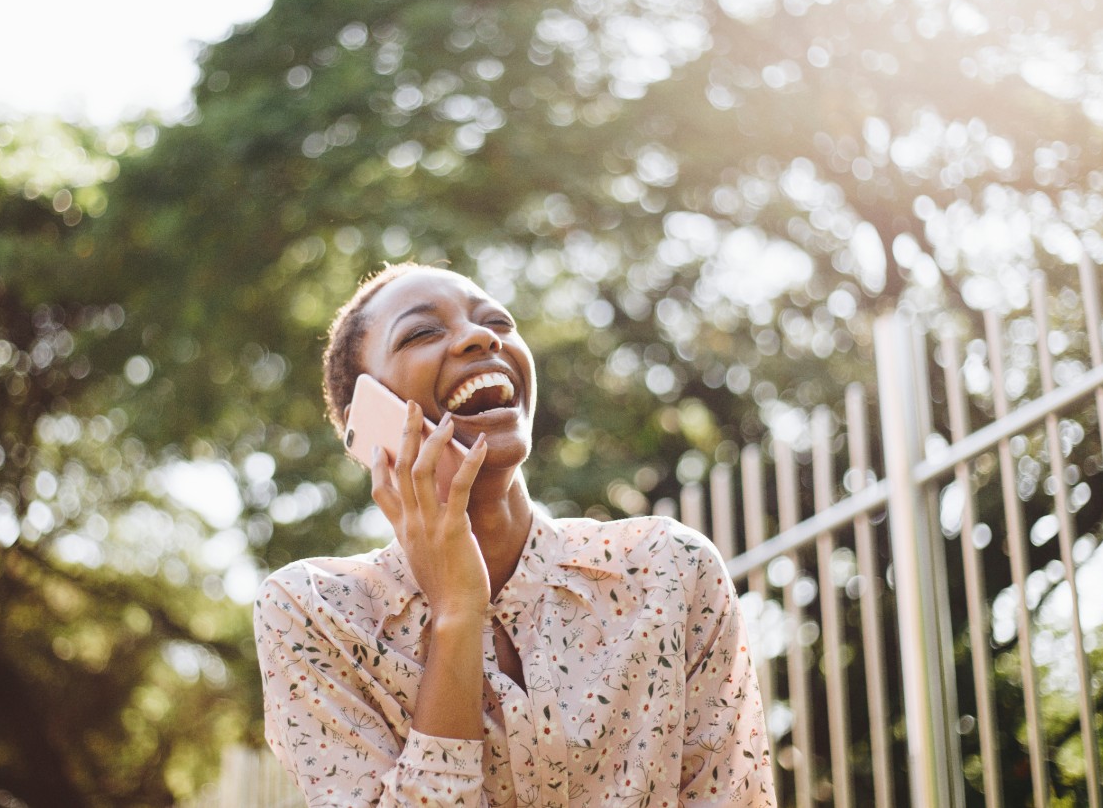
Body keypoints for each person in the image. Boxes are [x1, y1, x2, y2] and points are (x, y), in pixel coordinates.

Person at [254, 262, 774, 806]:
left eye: (498, 322)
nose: (481, 337)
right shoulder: (317, 614)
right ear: (370, 416)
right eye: (422, 332)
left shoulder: (670, 571)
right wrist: (456, 612)